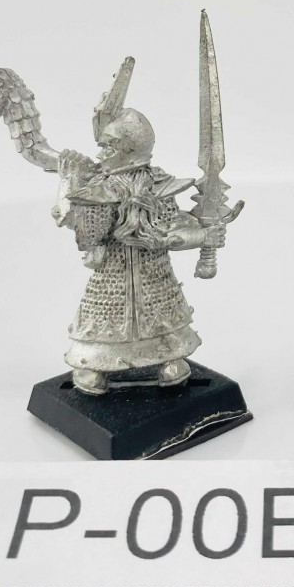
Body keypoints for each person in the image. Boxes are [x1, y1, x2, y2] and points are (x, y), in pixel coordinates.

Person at [57, 105, 225, 395]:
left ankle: (167, 359)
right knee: (101, 339)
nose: (100, 154)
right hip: (111, 279)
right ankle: (97, 363)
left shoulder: (159, 187)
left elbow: (168, 232)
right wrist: (69, 183)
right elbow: (87, 234)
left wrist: (203, 234)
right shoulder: (100, 188)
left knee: (165, 337)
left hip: (153, 278)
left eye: (108, 147)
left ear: (128, 149)